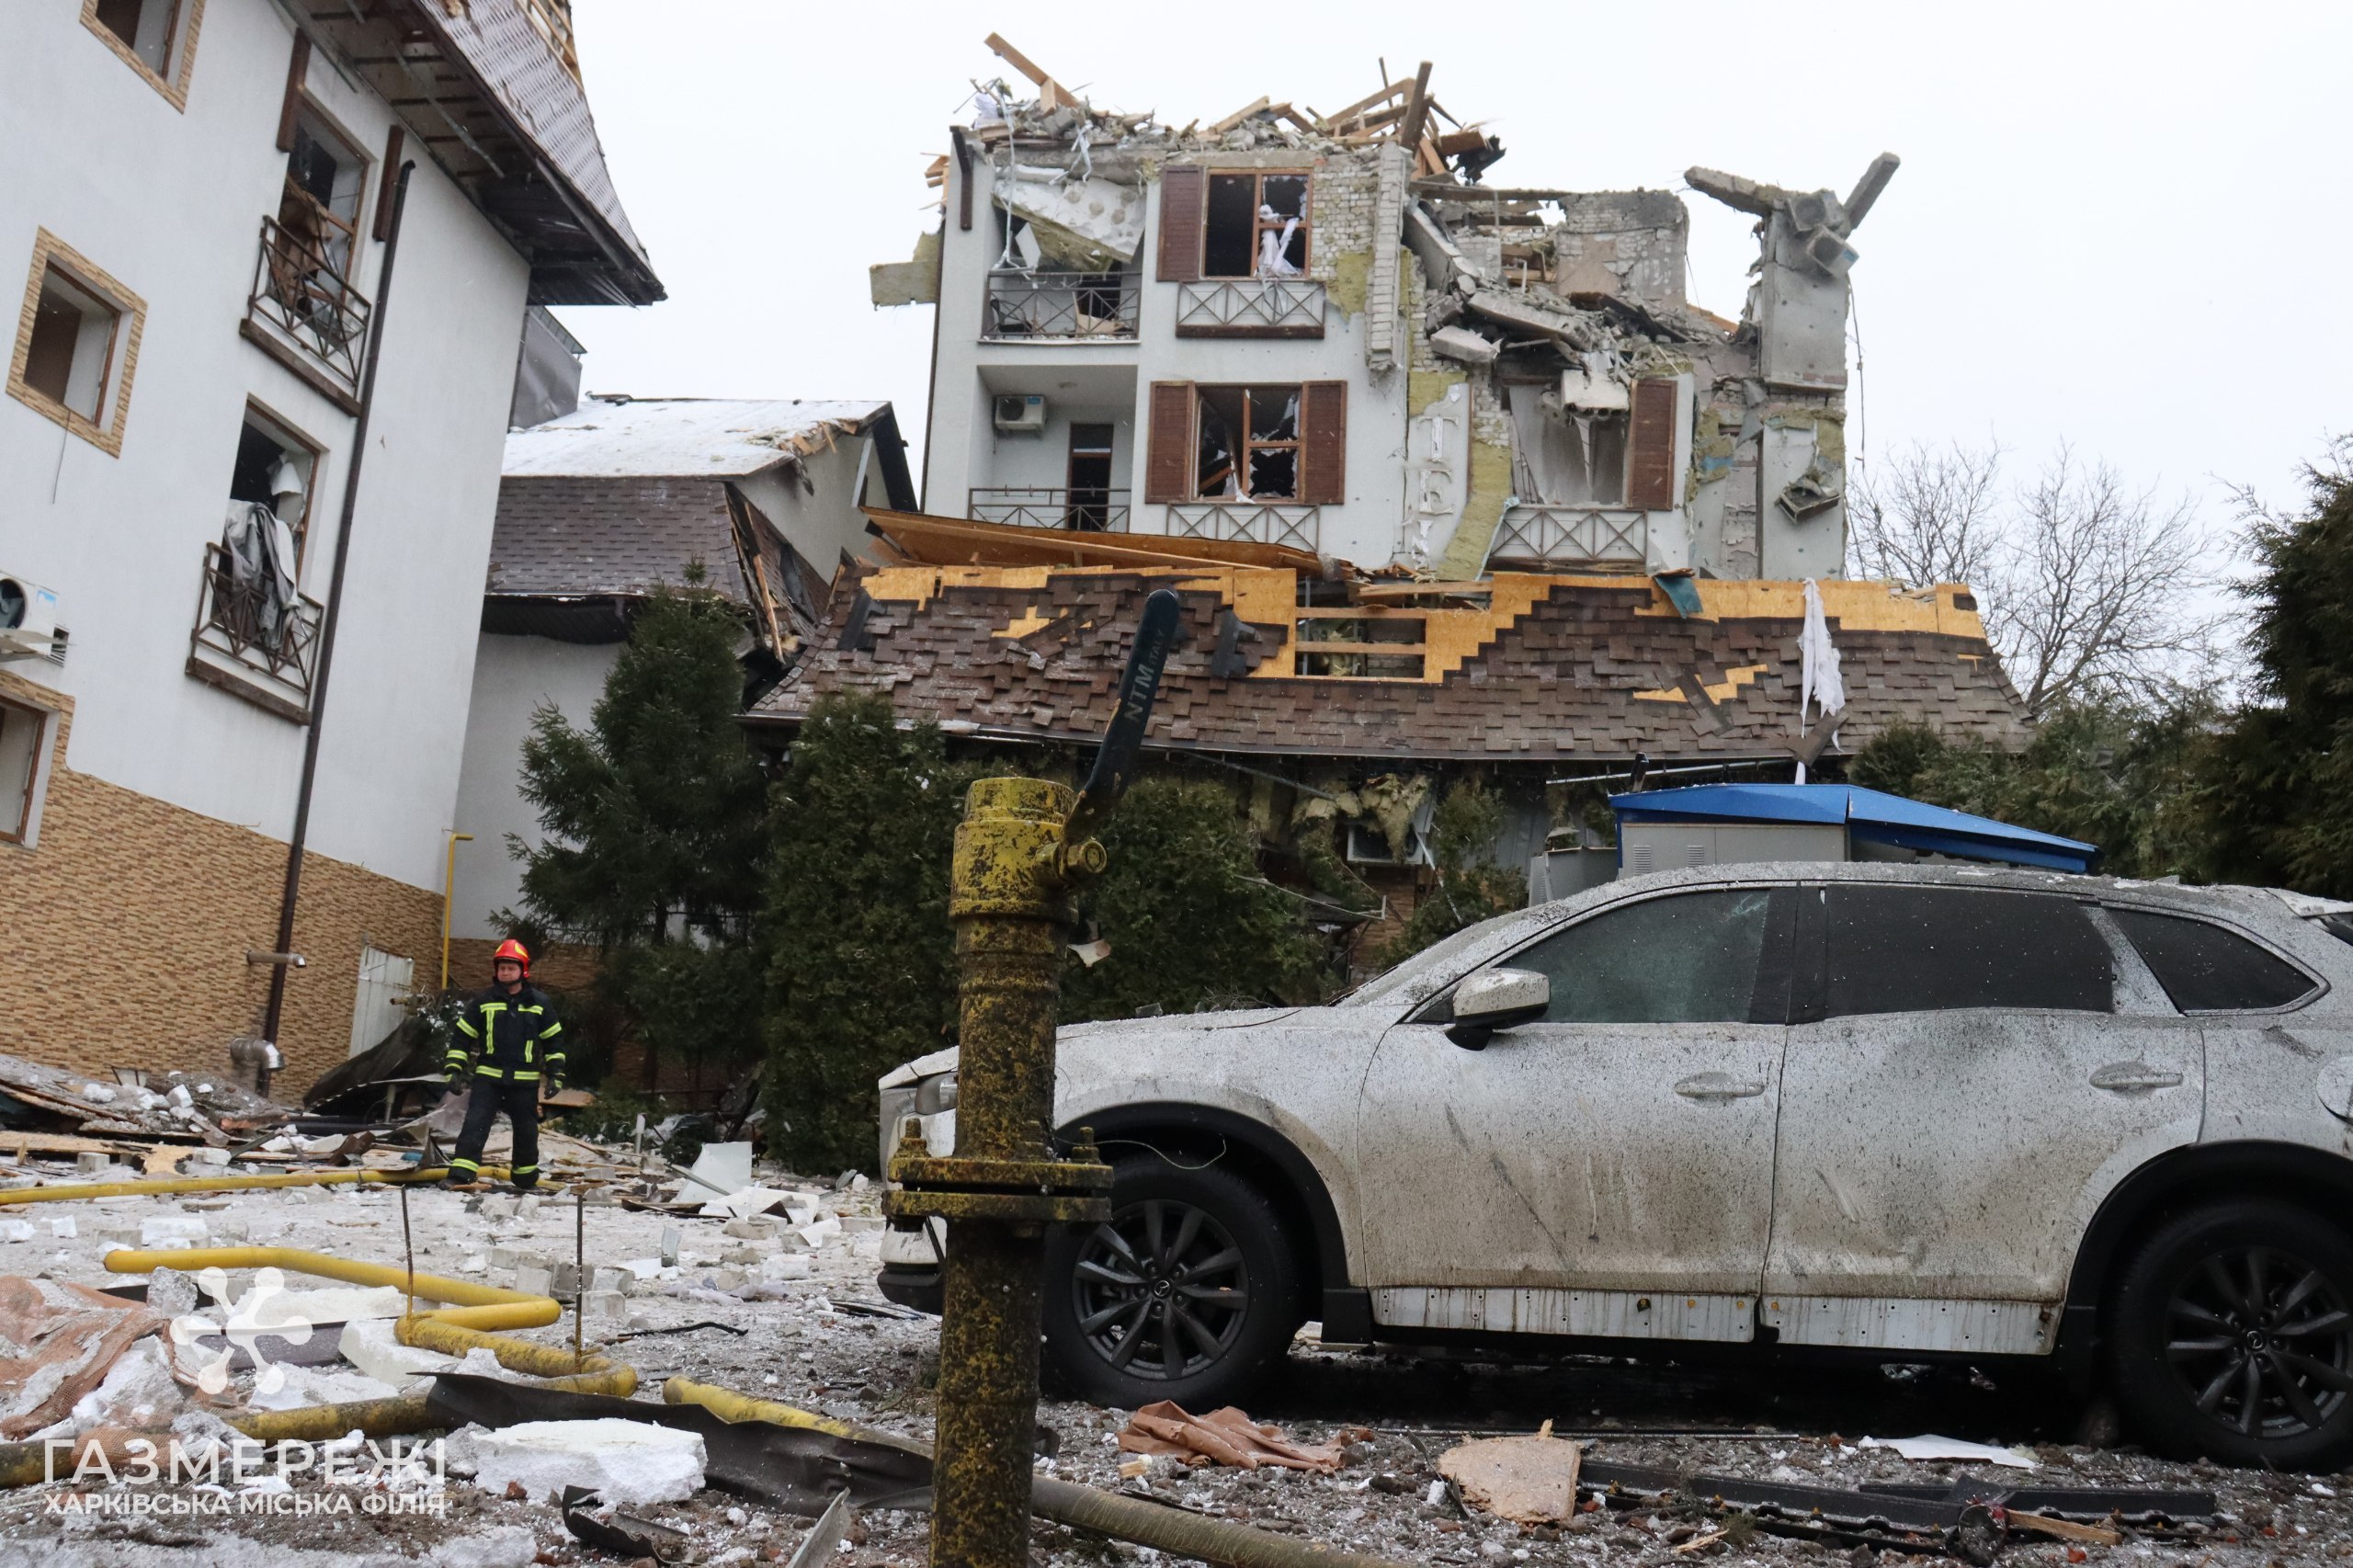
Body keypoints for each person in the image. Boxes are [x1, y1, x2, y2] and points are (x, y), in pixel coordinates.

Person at [441, 938, 564, 1189]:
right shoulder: (483, 1001)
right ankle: (460, 1175)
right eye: (502, 968)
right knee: (475, 1124)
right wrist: (453, 1069)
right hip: (489, 1079)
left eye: (511, 967)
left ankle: (526, 1179)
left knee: (527, 1132)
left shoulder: (540, 1004)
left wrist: (556, 1075)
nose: (505, 972)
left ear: (523, 970)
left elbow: (554, 1041)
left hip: (524, 1081)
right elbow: (462, 1036)